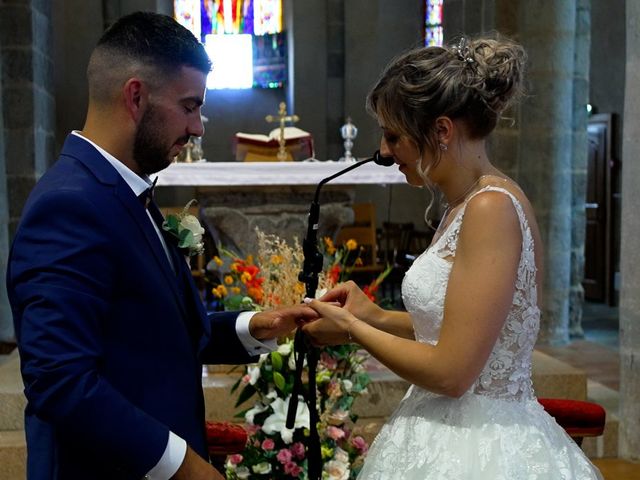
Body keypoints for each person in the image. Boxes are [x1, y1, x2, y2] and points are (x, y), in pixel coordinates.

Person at [5, 12, 317, 480]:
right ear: (136, 96)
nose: (198, 128)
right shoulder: (70, 206)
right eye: (190, 106)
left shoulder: (124, 189)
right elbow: (61, 380)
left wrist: (257, 325)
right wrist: (184, 466)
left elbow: (146, 327)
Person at [302, 36, 603, 479]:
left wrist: (351, 329)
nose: (384, 152)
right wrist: (376, 317)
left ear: (441, 131)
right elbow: (466, 325)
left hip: (480, 446)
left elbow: (453, 372)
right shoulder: (466, 203)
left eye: (393, 136)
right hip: (446, 425)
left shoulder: (490, 208)